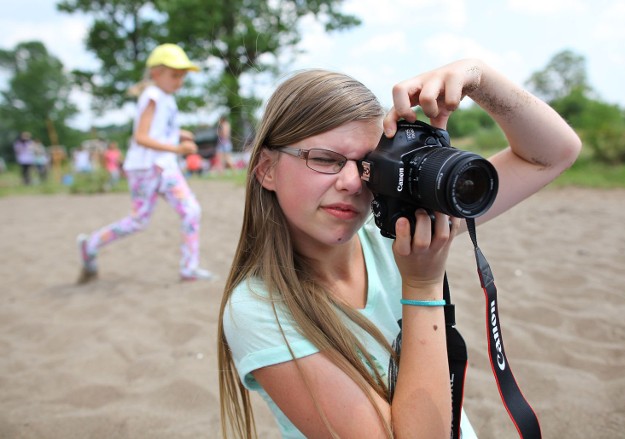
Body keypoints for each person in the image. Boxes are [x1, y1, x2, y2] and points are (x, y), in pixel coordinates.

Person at [217, 59, 581, 439]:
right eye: (324, 159)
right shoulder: (259, 310)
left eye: (367, 164)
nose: (352, 183)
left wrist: (478, 78)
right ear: (266, 169)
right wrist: (422, 287)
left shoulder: (390, 231)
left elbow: (551, 154)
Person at [76, 43, 213, 283]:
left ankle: (189, 268)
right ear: (156, 73)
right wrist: (177, 148)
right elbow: (141, 136)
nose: (179, 81)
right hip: (145, 168)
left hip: (165, 167)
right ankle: (91, 244)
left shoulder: (167, 98)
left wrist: (178, 134)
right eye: (175, 75)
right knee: (139, 221)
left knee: (191, 211)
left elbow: (159, 130)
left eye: (182, 76)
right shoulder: (152, 96)